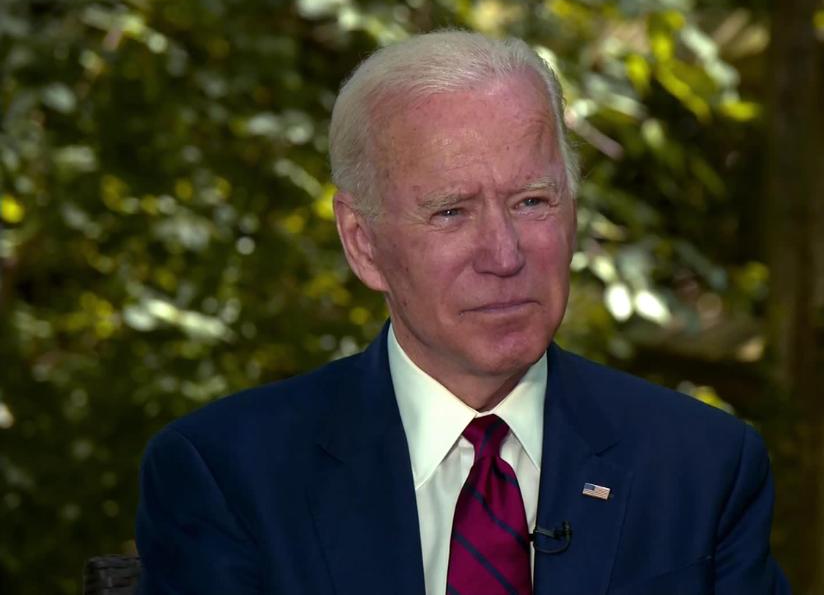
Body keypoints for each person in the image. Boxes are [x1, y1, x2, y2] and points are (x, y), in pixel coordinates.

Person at [135, 30, 790, 595]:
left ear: (573, 212)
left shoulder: (702, 468)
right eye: (451, 211)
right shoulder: (229, 476)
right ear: (363, 243)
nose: (504, 255)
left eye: (532, 201)